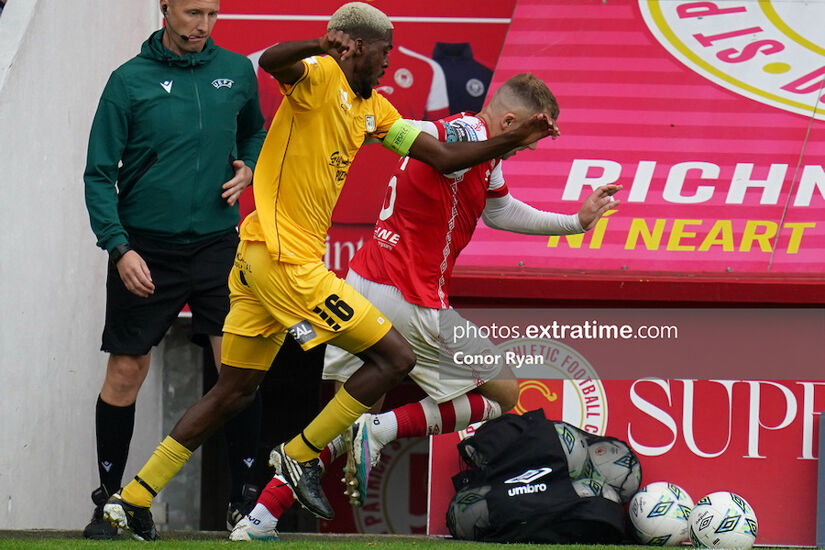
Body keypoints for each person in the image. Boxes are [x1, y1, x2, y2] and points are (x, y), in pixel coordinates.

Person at [102, 2, 555, 541]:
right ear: (355, 48)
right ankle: (298, 457)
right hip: (284, 261)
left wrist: (512, 138)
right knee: (394, 357)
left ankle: (133, 498)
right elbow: (272, 60)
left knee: (234, 391)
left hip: (257, 263)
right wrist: (321, 45)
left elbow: (444, 158)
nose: (389, 64)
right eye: (383, 53)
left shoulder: (375, 111)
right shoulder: (316, 77)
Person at [228, 73, 621, 541]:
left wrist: (573, 221)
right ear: (511, 121)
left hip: (361, 286)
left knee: (338, 421)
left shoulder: (481, 151)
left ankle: (260, 517)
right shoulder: (466, 133)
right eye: (527, 140)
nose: (525, 149)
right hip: (411, 301)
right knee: (503, 394)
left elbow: (499, 210)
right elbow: (431, 136)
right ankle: (384, 428)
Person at [82, 0, 266, 539]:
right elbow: (97, 174)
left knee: (238, 372)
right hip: (145, 249)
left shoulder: (236, 71)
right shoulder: (127, 81)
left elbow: (256, 132)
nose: (202, 25)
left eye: (211, 13)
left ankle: (243, 501)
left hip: (217, 244)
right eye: (191, 12)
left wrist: (248, 166)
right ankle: (110, 500)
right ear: (165, 9)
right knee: (125, 371)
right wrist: (119, 247)